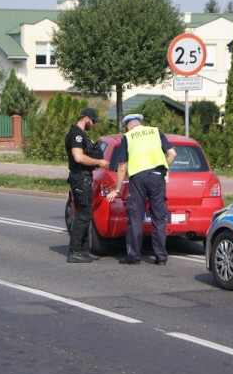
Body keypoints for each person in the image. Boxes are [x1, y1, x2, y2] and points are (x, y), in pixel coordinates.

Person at [106, 114, 176, 265]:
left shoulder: (128, 137)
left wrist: (117, 189)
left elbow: (122, 165)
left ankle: (134, 257)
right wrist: (164, 168)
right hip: (157, 176)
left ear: (128, 126)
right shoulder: (155, 131)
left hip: (138, 178)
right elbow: (172, 154)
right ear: (140, 123)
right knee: (159, 218)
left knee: (135, 217)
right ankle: (161, 257)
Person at [65, 107, 109, 263]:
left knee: (86, 214)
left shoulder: (81, 134)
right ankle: (74, 251)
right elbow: (78, 157)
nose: (94, 124)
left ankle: (84, 250)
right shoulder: (76, 134)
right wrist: (99, 162)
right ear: (86, 118)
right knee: (83, 215)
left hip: (84, 178)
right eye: (93, 121)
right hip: (80, 178)